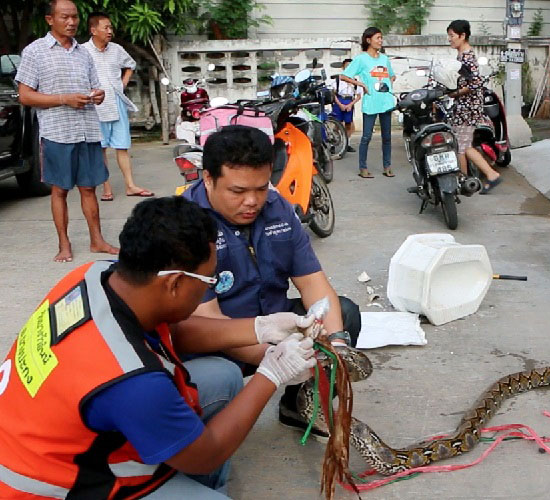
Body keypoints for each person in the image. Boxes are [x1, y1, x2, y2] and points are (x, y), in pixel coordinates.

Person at [0, 196, 317, 498]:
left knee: (222, 375)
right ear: (175, 283)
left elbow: (175, 331)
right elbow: (206, 455)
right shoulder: (130, 381)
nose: (210, 288)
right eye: (208, 281)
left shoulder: (95, 276)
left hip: (40, 431)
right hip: (52, 487)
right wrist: (271, 375)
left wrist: (260, 327)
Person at [182, 125, 362, 442]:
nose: (252, 201)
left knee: (344, 314)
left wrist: (337, 346)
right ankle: (206, 440)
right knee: (215, 376)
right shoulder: (186, 224)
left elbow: (313, 285)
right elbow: (207, 322)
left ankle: (298, 406)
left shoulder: (278, 210)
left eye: (261, 188)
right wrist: (277, 363)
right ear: (207, 178)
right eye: (237, 191)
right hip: (219, 341)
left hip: (279, 323)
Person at [15, 0, 118, 263]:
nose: (71, 22)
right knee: (59, 190)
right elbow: (25, 96)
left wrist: (98, 95)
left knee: (89, 188)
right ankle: (64, 244)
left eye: (74, 17)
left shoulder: (84, 53)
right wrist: (64, 99)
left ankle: (97, 241)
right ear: (50, 20)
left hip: (87, 130)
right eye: (65, 17)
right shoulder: (35, 51)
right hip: (57, 132)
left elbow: (98, 89)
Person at [84, 11, 154, 201]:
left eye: (110, 27)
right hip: (95, 106)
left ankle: (130, 185)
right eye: (105, 27)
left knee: (122, 146)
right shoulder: (83, 51)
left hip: (116, 102)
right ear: (93, 30)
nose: (109, 31)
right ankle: (106, 187)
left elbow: (130, 64)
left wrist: (123, 83)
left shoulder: (116, 49)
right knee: (101, 148)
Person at [446, 20, 502, 195]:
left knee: (463, 146)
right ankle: (468, 178)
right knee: (462, 145)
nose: (450, 39)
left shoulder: (467, 57)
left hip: (467, 107)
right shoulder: (461, 55)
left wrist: (455, 94)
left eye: (452, 36)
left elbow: (476, 84)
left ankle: (480, 177)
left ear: (462, 36)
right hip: (465, 105)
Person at [339, 27, 396, 178]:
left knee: (387, 137)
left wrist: (388, 86)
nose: (380, 41)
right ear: (368, 40)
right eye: (378, 38)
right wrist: (362, 85)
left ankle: (387, 166)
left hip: (386, 102)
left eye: (381, 38)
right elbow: (343, 76)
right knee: (366, 137)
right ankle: (363, 168)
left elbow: (392, 75)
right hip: (371, 102)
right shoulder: (361, 59)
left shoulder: (384, 59)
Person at [328, 58, 363, 153]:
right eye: (347, 66)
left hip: (349, 102)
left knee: (348, 124)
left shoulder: (355, 81)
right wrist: (340, 104)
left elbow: (358, 96)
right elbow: (333, 94)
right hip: (339, 101)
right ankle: (333, 145)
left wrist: (351, 105)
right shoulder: (338, 80)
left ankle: (346, 144)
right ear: (343, 67)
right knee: (336, 124)